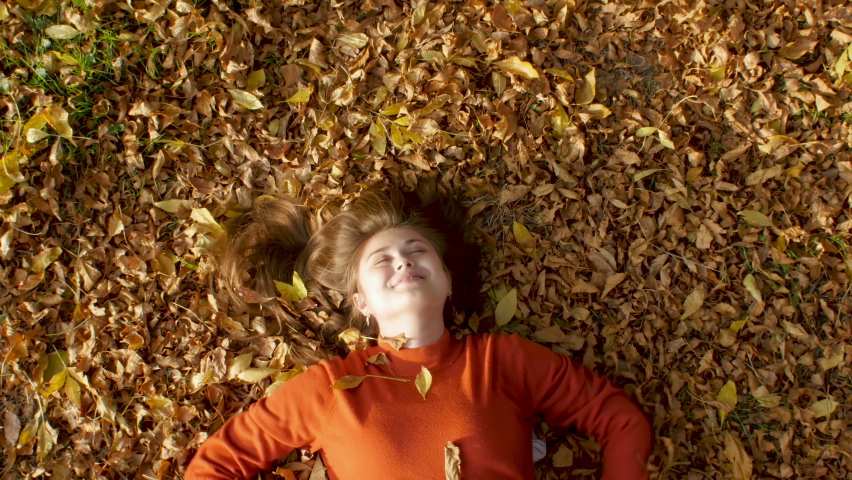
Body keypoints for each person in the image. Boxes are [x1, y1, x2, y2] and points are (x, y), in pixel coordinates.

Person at [185, 183, 652, 480]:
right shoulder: (331, 391)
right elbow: (217, 465)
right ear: (360, 302)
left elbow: (619, 421)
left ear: (448, 279)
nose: (403, 261)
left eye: (416, 251)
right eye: (381, 261)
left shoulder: (503, 362)